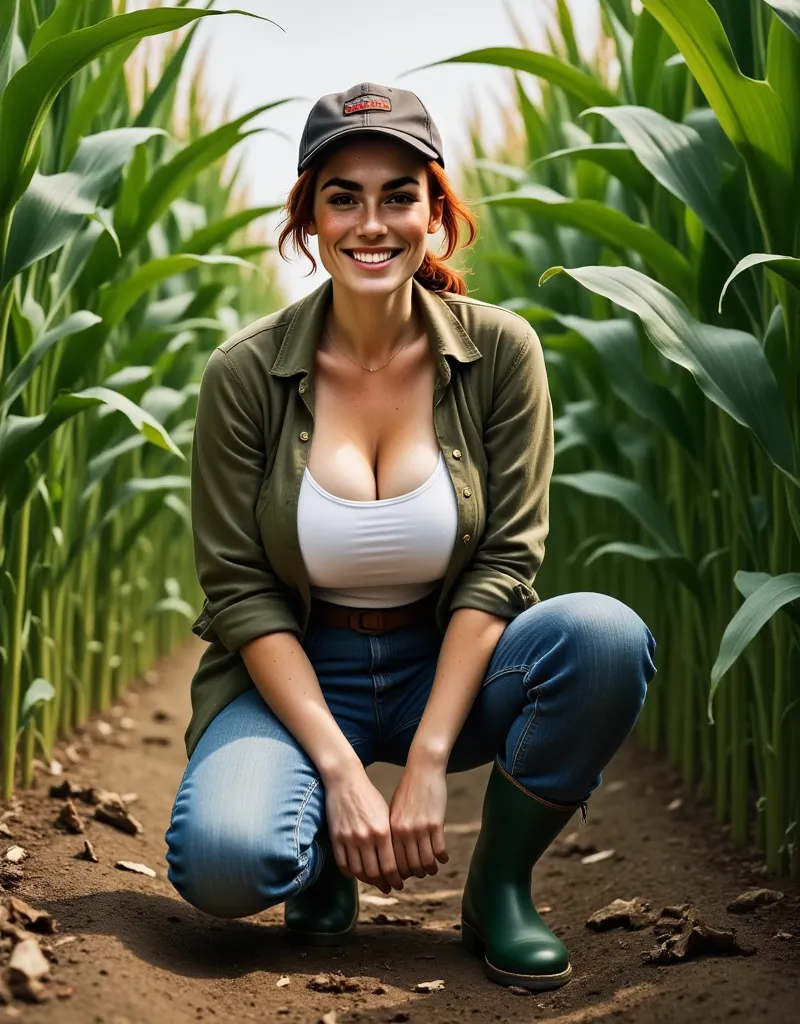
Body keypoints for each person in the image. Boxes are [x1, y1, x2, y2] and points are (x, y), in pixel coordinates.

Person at [165, 82, 657, 991]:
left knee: (602, 639)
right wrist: (345, 774)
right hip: (303, 675)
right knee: (228, 865)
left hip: (451, 667)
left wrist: (429, 762)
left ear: (437, 210)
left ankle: (500, 890)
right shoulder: (245, 372)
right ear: (308, 218)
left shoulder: (501, 352)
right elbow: (238, 587)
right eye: (342, 196)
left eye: (398, 193)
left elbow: (509, 559)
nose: (372, 222)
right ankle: (315, 857)